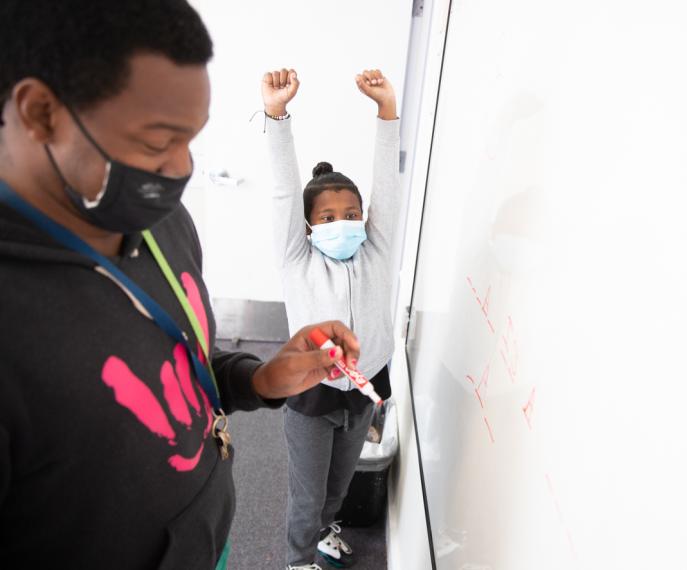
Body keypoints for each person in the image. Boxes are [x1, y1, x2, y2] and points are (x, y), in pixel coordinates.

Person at [0, 1, 360, 568]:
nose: (179, 169)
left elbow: (183, 359)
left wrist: (263, 378)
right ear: (41, 112)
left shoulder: (162, 222)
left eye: (191, 138)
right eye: (156, 140)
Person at [260, 67, 400, 569]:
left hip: (364, 388)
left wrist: (387, 111)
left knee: (339, 483)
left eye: (350, 214)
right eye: (326, 217)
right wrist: (277, 116)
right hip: (311, 392)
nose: (341, 223)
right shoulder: (297, 260)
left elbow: (390, 185)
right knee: (307, 490)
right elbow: (282, 192)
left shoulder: (377, 252)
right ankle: (299, 560)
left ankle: (326, 533)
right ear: (308, 226)